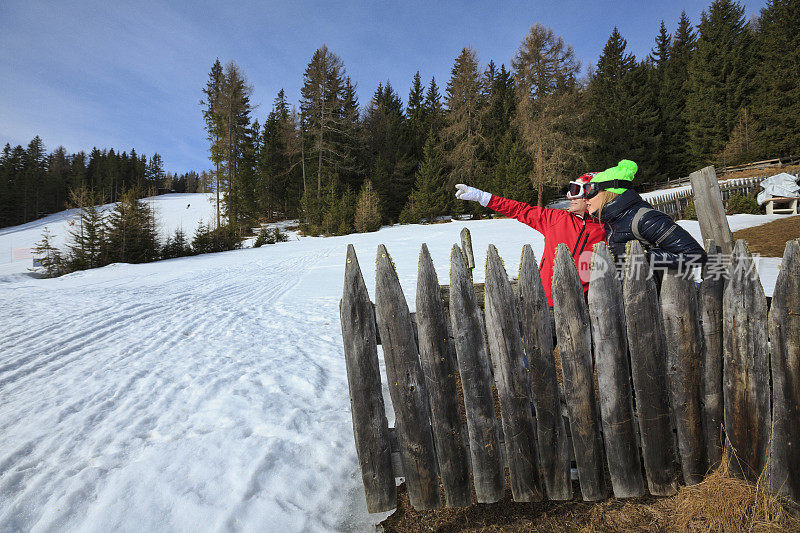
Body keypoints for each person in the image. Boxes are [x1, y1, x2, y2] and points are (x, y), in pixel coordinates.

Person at [454, 174, 606, 306]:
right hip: (547, 301)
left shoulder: (607, 228)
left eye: (577, 191)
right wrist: (482, 197)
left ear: (593, 194)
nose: (570, 196)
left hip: (586, 306)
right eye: (571, 190)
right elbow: (519, 210)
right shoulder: (555, 219)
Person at [583, 159, 707, 276]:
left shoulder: (645, 219)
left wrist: (642, 256)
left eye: (590, 190)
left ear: (610, 192)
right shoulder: (612, 221)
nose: (585, 198)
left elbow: (695, 256)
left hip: (654, 295)